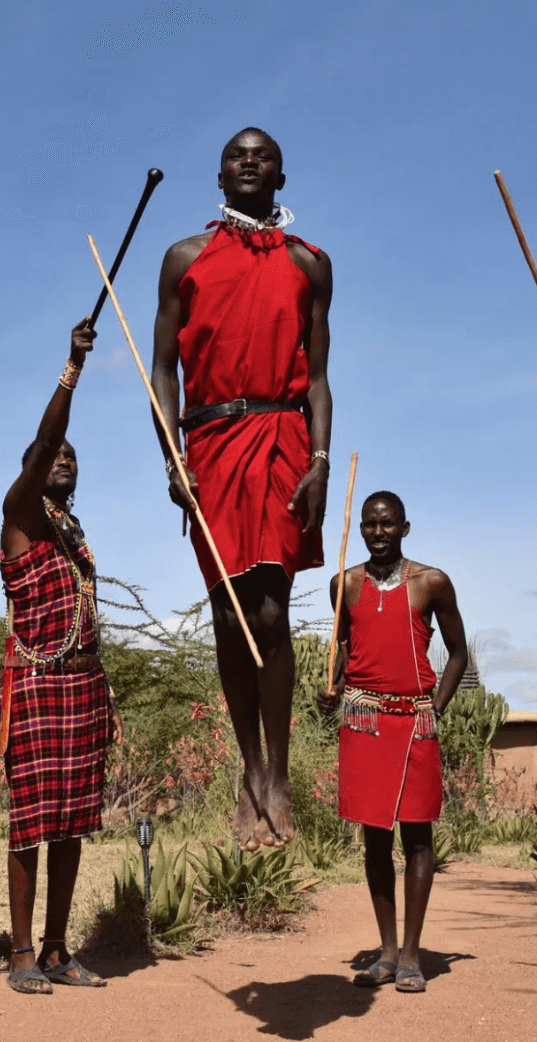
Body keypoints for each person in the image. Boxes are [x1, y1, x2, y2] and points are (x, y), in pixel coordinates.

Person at [152, 127, 333, 850]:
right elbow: (162, 368)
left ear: (280, 176)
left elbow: (318, 377)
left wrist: (320, 459)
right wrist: (172, 455)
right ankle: (248, 771)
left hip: (285, 438)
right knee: (229, 611)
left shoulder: (309, 263)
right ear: (220, 175)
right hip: (211, 441)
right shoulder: (184, 258)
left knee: (271, 605)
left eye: (262, 154)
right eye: (236, 154)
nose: (249, 160)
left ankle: (280, 777)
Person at [0, 317, 122, 995]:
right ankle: (19, 954)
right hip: (38, 683)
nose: (65, 459)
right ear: (32, 469)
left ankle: (54, 950)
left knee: (72, 822)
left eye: (73, 456)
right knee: (30, 822)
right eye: (55, 455)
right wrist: (71, 368)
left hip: (82, 688)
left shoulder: (73, 532)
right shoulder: (20, 516)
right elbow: (46, 437)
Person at [318, 491, 468, 993]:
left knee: (418, 836)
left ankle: (411, 956)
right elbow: (344, 648)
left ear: (405, 528)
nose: (377, 533)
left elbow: (458, 655)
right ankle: (384, 953)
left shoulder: (432, 582)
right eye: (369, 525)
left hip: (415, 722)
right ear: (360, 529)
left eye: (387, 525)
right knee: (376, 838)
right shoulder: (344, 584)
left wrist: (436, 708)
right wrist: (332, 688)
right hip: (364, 723)